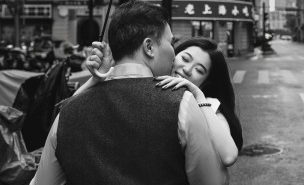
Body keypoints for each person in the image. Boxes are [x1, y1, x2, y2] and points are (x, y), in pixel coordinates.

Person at [30, 0, 228, 185]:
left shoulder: (67, 113)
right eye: (170, 42)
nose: (174, 52)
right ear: (149, 47)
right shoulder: (182, 104)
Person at [84, 37, 243, 167]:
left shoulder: (208, 106)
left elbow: (229, 156)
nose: (187, 69)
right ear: (174, 55)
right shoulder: (144, 82)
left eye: (199, 70)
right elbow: (69, 112)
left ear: (206, 82)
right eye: (185, 58)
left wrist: (200, 98)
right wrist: (97, 78)